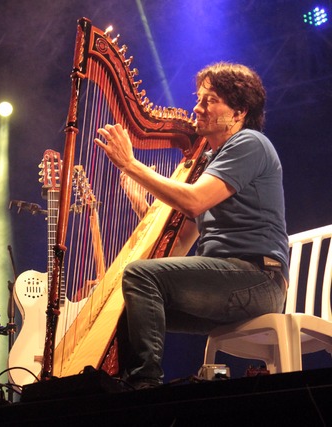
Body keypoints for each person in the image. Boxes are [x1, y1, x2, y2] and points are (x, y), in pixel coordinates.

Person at [94, 62, 289, 389]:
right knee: (131, 303)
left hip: (257, 280)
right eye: (198, 99)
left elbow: (193, 202)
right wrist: (141, 203)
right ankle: (124, 388)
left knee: (141, 277)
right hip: (229, 282)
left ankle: (145, 388)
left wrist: (131, 164)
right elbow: (182, 239)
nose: (197, 107)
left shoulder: (249, 144)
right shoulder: (211, 163)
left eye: (209, 100)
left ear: (238, 112)